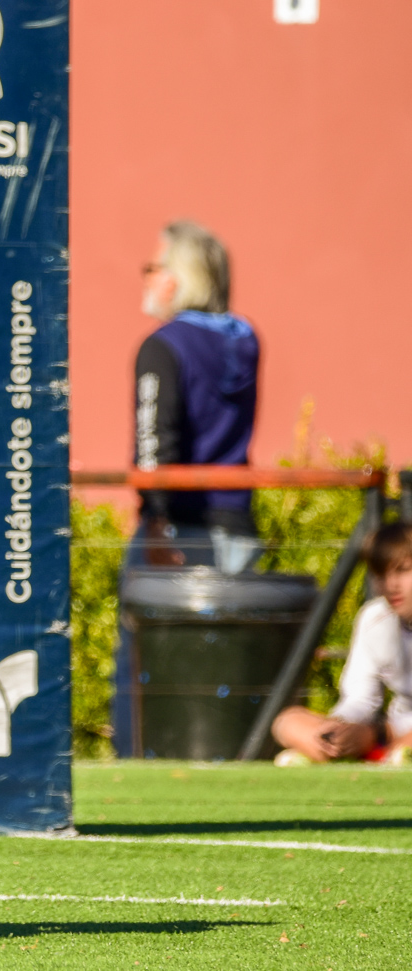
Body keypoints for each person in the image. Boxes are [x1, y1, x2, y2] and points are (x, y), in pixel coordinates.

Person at [114, 220, 261, 755]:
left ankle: (137, 757)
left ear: (177, 278)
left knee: (143, 662)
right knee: (225, 668)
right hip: (237, 525)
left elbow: (156, 447)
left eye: (152, 268)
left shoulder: (164, 345)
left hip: (178, 527)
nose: (146, 279)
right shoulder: (244, 340)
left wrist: (156, 521)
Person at [271, 522, 412, 766]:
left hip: (393, 732)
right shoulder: (374, 617)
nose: (391, 585)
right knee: (287, 722)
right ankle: (333, 751)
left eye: (402, 570)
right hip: (382, 734)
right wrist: (339, 730)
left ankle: (319, 756)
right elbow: (360, 698)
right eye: (380, 574)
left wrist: (377, 734)